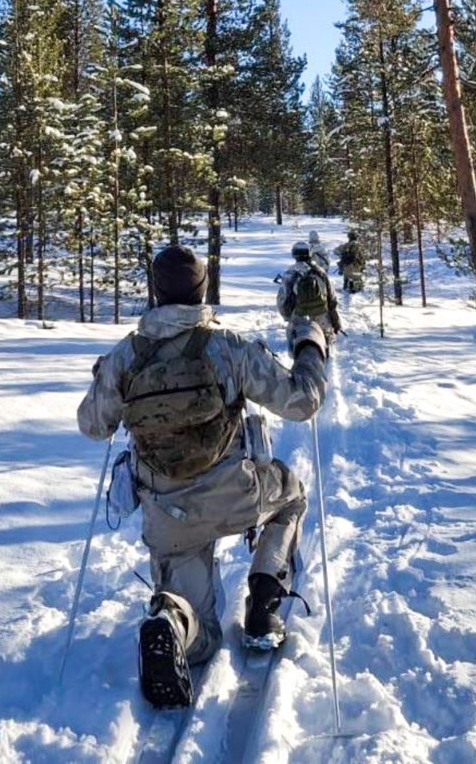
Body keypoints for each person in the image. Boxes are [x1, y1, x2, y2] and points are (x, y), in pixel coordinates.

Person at [77, 245, 329, 708]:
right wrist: (311, 348)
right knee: (290, 496)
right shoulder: (227, 347)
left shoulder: (125, 357)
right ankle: (263, 607)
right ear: (202, 289)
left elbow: (93, 426)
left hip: (168, 513)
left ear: (155, 290)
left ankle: (171, 620)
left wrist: (103, 378)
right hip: (238, 493)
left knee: (201, 641)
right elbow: (302, 402)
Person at [276, 241, 342, 349]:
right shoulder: (320, 272)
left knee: (294, 344)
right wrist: (335, 321)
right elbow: (332, 298)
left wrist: (288, 318)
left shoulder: (290, 274)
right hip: (322, 318)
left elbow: (282, 301)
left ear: (294, 255)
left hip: (300, 319)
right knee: (327, 343)